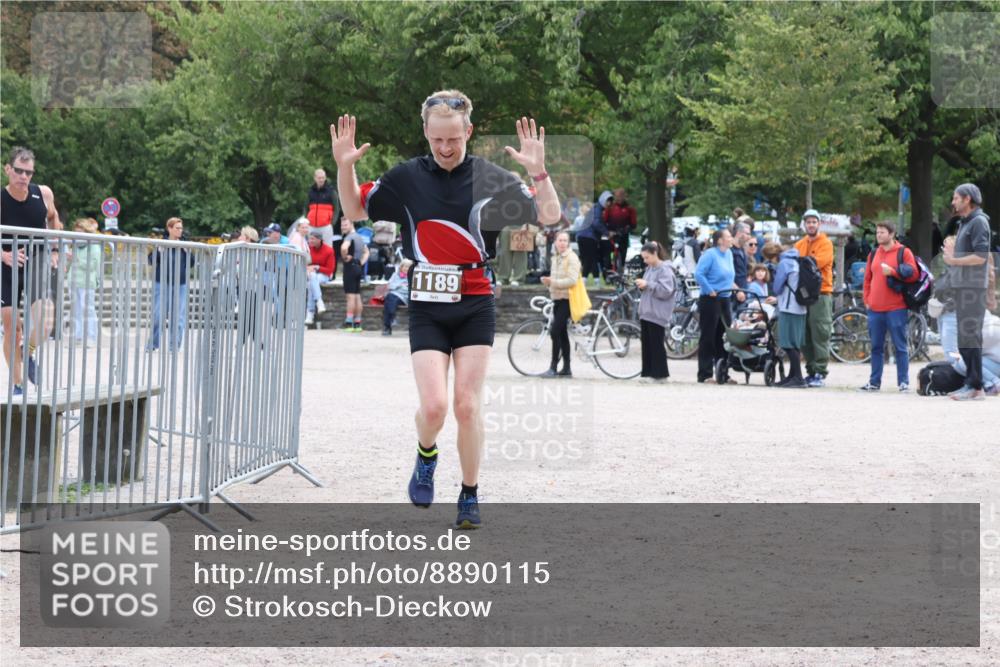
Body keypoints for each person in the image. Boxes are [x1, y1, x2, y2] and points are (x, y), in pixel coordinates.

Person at [332, 89, 560, 528]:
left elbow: (548, 216)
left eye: (453, 139)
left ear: (468, 131)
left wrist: (540, 172)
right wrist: (346, 166)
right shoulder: (407, 178)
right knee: (434, 407)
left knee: (467, 406)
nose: (445, 148)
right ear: (426, 133)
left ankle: (470, 494)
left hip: (474, 301)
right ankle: (426, 453)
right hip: (428, 304)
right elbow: (355, 208)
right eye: (437, 140)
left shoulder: (491, 179)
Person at [2, 147, 62, 395]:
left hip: (36, 259)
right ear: (8, 169)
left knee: (47, 317)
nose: (23, 176)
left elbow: (53, 218)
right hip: (5, 265)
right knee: (12, 326)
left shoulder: (43, 193)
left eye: (28, 172)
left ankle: (29, 353)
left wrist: (56, 250)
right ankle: (17, 385)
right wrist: (3, 254)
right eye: (18, 171)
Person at [943, 183, 992, 401]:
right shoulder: (965, 223)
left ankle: (976, 386)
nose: (953, 202)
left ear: (967, 199)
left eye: (956, 198)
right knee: (965, 336)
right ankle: (972, 384)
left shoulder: (979, 222)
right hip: (963, 286)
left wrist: (954, 259)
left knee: (971, 336)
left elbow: (981, 257)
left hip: (973, 288)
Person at [858, 221, 918, 392]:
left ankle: (903, 382)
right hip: (875, 309)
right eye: (877, 232)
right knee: (876, 347)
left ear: (891, 234)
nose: (879, 235)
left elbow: (914, 274)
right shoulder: (873, 253)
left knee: (900, 346)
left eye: (882, 232)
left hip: (896, 307)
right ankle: (874, 382)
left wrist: (893, 272)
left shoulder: (903, 252)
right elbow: (867, 278)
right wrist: (867, 299)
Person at [794, 209, 834, 387]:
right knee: (804, 334)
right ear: (804, 224)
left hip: (821, 293)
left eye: (814, 222)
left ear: (819, 224)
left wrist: (802, 262)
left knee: (820, 332)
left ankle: (820, 372)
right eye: (808, 222)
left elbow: (816, 264)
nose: (811, 225)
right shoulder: (799, 244)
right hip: (802, 293)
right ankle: (810, 370)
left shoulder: (826, 243)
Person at [694, 228, 737, 383]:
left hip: (725, 298)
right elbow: (698, 274)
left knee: (724, 337)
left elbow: (727, 276)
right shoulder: (710, 255)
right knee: (708, 337)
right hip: (710, 299)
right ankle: (705, 374)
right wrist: (709, 289)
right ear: (720, 240)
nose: (731, 238)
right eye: (729, 236)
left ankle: (723, 373)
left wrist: (736, 288)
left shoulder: (729, 254)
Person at [146, 217, 190, 352]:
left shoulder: (184, 244)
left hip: (180, 284)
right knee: (158, 315)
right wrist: (158, 251)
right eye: (177, 228)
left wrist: (187, 252)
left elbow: (191, 263)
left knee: (179, 317)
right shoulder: (161, 243)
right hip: (162, 283)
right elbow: (150, 260)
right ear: (169, 229)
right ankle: (153, 344)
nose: (180, 231)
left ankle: (174, 346)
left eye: (181, 228)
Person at [540, 230, 580, 378]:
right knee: (562, 334)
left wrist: (553, 282)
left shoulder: (572, 258)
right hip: (558, 299)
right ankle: (567, 368)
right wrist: (548, 282)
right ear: (555, 242)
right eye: (560, 240)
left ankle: (553, 367)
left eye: (565, 240)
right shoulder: (556, 258)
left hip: (567, 300)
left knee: (555, 331)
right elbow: (556, 279)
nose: (562, 243)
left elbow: (572, 280)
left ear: (568, 243)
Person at [635, 240, 676, 383]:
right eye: (643, 258)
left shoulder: (665, 269)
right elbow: (650, 287)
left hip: (657, 312)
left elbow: (666, 291)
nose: (645, 261)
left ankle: (660, 375)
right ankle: (648, 373)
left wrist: (648, 284)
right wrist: (643, 285)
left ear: (655, 253)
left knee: (656, 344)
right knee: (647, 344)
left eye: (647, 257)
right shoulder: (650, 269)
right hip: (647, 311)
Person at [773, 244, 808, 388]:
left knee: (787, 343)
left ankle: (798, 378)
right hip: (801, 307)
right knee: (795, 343)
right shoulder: (799, 261)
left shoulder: (784, 263)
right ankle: (792, 376)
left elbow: (777, 287)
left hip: (788, 307)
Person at [67, 217, 103, 344]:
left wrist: (75, 258)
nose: (77, 237)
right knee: (76, 309)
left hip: (87, 283)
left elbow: (92, 266)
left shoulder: (94, 247)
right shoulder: (75, 246)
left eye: (80, 234)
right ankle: (78, 336)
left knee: (88, 309)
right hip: (74, 281)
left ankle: (91, 337)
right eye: (76, 233)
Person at [339, 216, 369, 332]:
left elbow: (343, 248)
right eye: (342, 225)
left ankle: (349, 323)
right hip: (357, 268)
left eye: (345, 224)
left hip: (350, 268)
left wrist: (344, 256)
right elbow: (366, 252)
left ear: (352, 224)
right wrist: (361, 262)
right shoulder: (360, 238)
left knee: (350, 296)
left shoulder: (349, 237)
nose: (343, 227)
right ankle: (357, 323)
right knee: (357, 296)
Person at [577, 190, 611, 285]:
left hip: (583, 236)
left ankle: (595, 280)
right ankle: (585, 280)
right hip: (588, 237)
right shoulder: (598, 210)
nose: (609, 203)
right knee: (589, 258)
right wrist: (606, 232)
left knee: (590, 258)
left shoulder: (596, 208)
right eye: (608, 201)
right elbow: (596, 223)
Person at [602, 188, 637, 274]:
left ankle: (620, 268)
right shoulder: (610, 208)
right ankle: (608, 271)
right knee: (607, 253)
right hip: (611, 234)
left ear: (625, 196)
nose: (619, 198)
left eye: (621, 196)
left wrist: (628, 228)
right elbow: (604, 220)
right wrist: (607, 231)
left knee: (623, 252)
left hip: (623, 234)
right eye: (617, 196)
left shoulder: (630, 209)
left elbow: (633, 223)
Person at [305, 229, 334, 325]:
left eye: (313, 239)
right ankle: (319, 301)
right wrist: (308, 268)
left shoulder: (329, 250)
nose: (310, 241)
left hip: (325, 275)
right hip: (312, 275)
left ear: (319, 239)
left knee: (311, 283)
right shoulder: (309, 249)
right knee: (311, 281)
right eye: (310, 239)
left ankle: (310, 313)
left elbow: (330, 270)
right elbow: (306, 264)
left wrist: (316, 267)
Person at [305, 168, 337, 246]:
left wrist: (332, 222)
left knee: (327, 248)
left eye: (323, 177)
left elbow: (337, 208)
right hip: (311, 225)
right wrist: (306, 220)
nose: (321, 180)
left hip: (326, 226)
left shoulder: (331, 191)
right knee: (311, 248)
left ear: (325, 178)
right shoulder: (310, 191)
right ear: (315, 178)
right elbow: (305, 207)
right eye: (319, 178)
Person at [383, 259, 412, 336]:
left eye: (409, 267)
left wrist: (397, 287)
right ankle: (391, 320)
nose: (406, 268)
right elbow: (390, 286)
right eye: (405, 266)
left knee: (390, 299)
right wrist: (400, 285)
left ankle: (388, 326)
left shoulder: (412, 276)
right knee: (390, 298)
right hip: (393, 295)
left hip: (404, 297)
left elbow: (408, 290)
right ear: (401, 267)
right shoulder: (395, 275)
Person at [731, 218, 752, 294]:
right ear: (739, 233)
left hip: (743, 291)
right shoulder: (729, 250)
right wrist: (737, 290)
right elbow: (724, 275)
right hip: (731, 293)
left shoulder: (742, 249)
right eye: (747, 234)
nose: (749, 237)